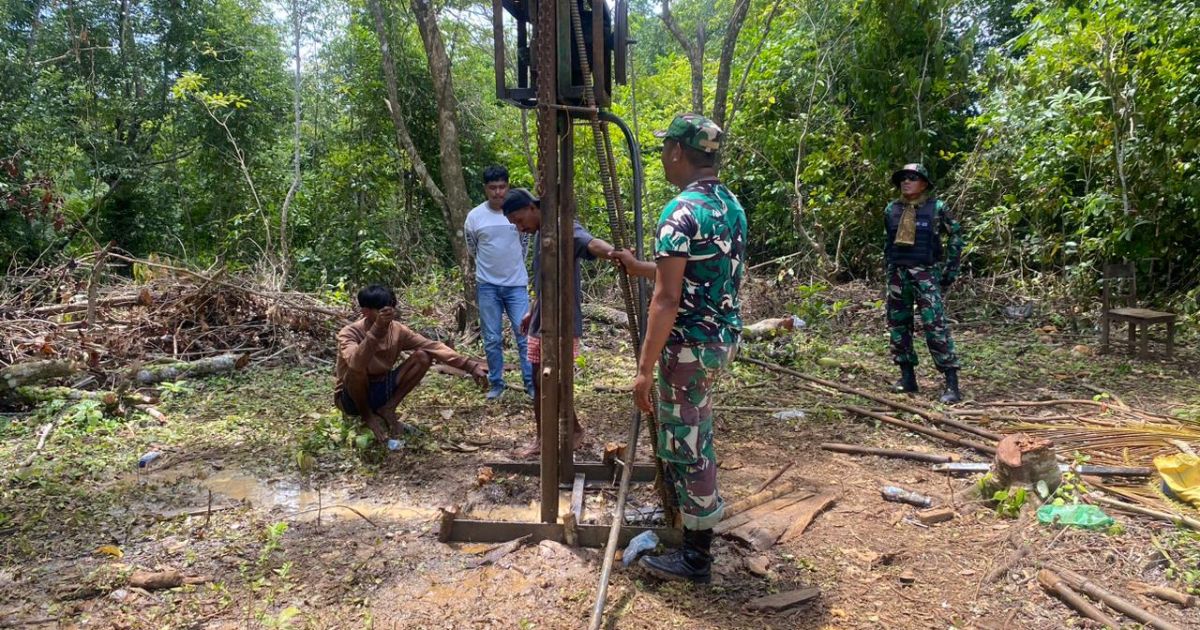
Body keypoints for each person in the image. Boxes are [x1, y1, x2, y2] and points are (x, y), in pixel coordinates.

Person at [611, 114, 747, 584]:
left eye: (664, 150)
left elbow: (668, 298)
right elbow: (696, 272)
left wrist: (644, 369)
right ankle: (688, 521)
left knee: (690, 444)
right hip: (720, 340)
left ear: (675, 152)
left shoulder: (679, 212)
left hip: (688, 347)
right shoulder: (730, 205)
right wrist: (639, 267)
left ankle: (696, 558)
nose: (662, 158)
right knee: (690, 435)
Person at [502, 187, 619, 458]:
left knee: (553, 378)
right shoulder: (541, 234)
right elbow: (545, 280)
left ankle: (563, 432)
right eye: (515, 224)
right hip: (542, 317)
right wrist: (533, 309)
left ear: (533, 208)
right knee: (539, 378)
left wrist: (616, 254)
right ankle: (550, 435)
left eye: (520, 220)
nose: (520, 228)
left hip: (563, 320)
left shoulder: (561, 228)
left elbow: (590, 243)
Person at [335, 284, 488, 450]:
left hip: (382, 387)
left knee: (423, 356)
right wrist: (376, 330)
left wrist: (470, 365)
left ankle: (389, 408)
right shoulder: (349, 333)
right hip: (352, 397)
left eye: (390, 309)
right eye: (381, 311)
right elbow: (355, 364)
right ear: (365, 312)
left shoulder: (397, 330)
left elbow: (432, 346)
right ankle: (367, 416)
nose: (387, 316)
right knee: (356, 372)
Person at [883, 163, 964, 404]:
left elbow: (956, 237)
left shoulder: (937, 208)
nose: (906, 182)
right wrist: (889, 270)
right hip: (898, 274)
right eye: (903, 178)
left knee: (935, 326)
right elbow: (888, 242)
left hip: (926, 274)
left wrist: (950, 270)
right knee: (898, 326)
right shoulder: (892, 209)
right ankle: (907, 378)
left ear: (924, 183)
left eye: (912, 178)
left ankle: (951, 384)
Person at [464, 165, 535, 401]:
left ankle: (531, 384)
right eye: (492, 188)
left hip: (516, 284)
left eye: (502, 187)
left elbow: (524, 243)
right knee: (492, 337)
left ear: (508, 186)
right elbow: (472, 247)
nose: (498, 192)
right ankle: (496, 383)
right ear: (485, 189)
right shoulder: (475, 217)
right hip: (487, 286)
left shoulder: (518, 213)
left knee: (525, 335)